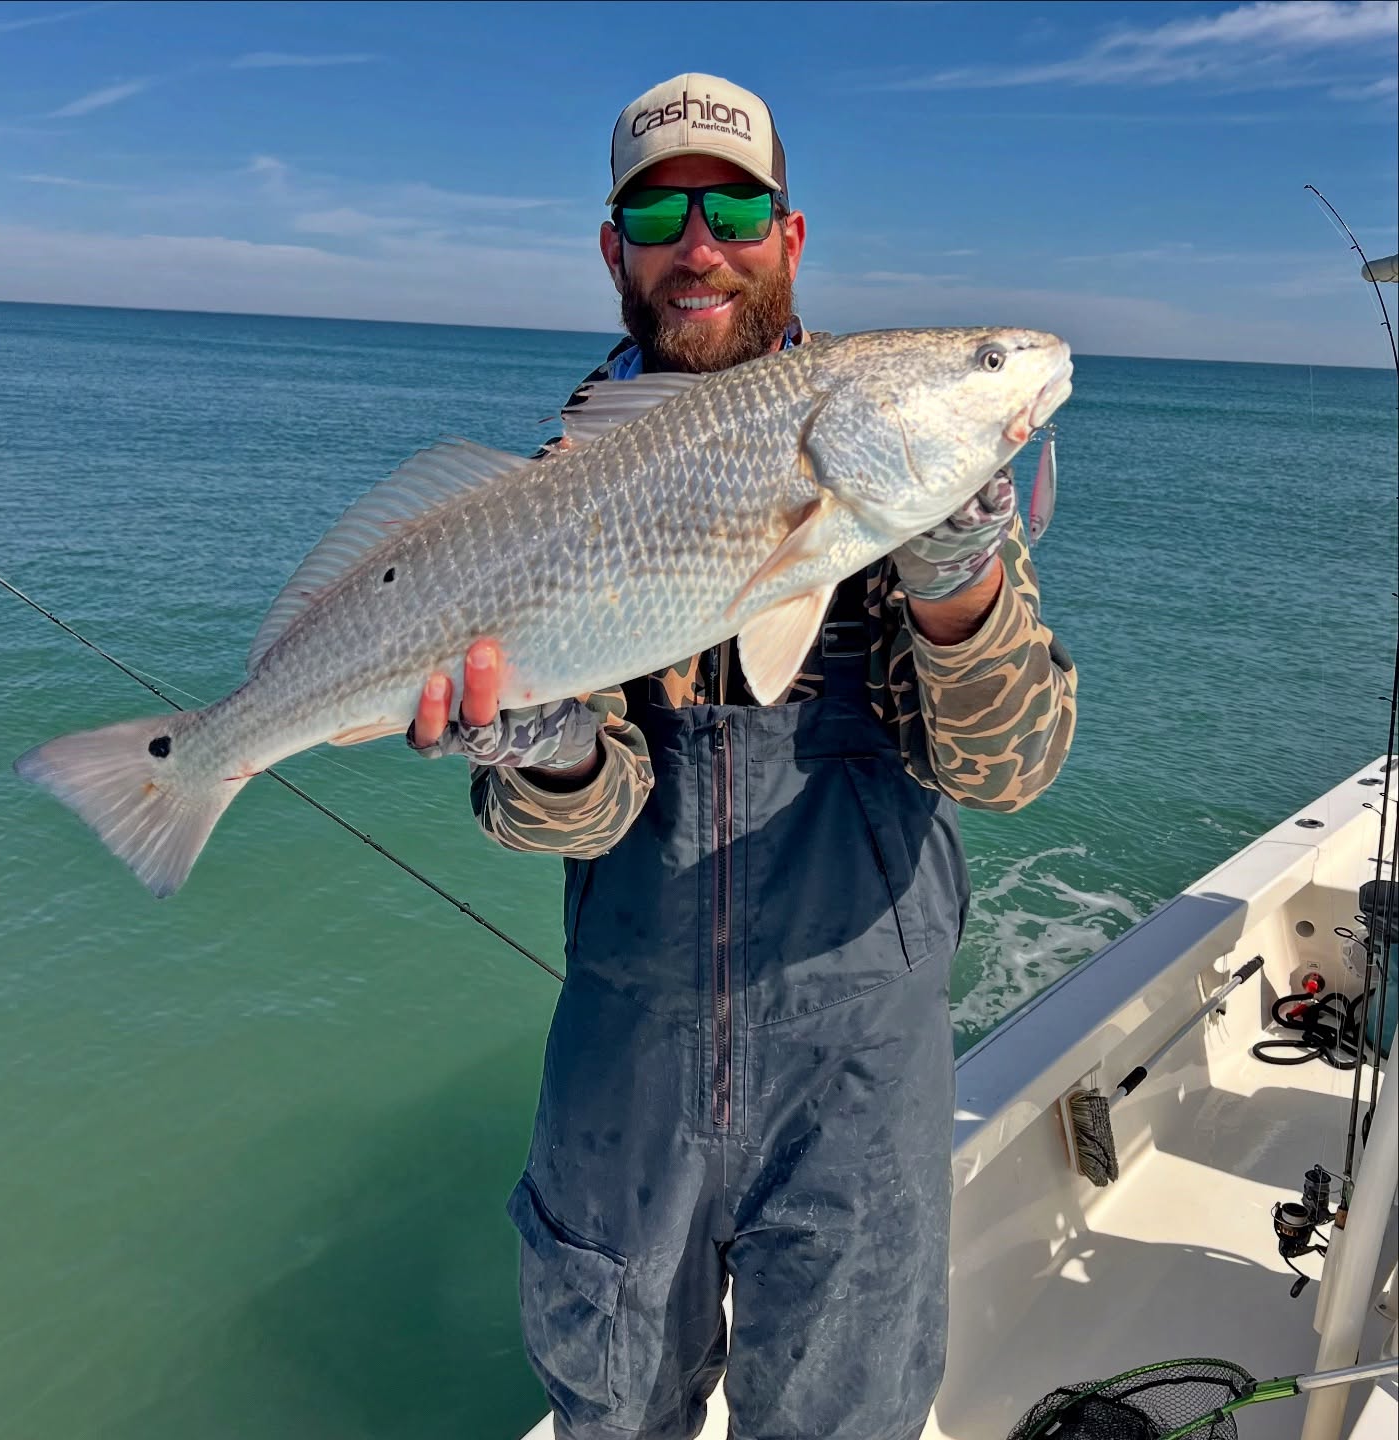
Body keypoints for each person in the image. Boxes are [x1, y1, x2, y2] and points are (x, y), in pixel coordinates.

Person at [408, 73, 1077, 1440]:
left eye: (736, 207)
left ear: (790, 233)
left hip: (858, 1069)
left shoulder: (885, 434)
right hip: (626, 1062)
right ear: (615, 248)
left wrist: (956, 584)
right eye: (657, 207)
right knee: (613, 1409)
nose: (696, 242)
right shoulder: (552, 488)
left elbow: (1013, 769)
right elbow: (563, 825)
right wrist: (540, 750)